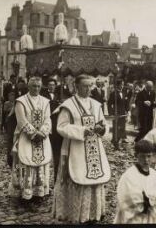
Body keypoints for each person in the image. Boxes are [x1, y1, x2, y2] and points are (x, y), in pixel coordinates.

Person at [53, 75, 110, 224]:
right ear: (76, 87)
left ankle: (93, 213)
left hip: (94, 149)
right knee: (77, 178)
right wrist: (82, 131)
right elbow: (61, 127)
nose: (88, 89)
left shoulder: (96, 104)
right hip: (75, 148)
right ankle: (76, 214)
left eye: (90, 86)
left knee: (94, 179)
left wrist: (102, 129)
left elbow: (104, 123)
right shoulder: (68, 105)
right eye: (85, 86)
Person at [8, 77, 52, 202]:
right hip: (26, 137)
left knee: (40, 163)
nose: (36, 88)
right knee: (25, 162)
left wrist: (43, 132)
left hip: (42, 138)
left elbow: (48, 119)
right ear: (28, 87)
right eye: (33, 86)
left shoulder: (45, 101)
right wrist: (33, 133)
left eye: (38, 86)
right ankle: (25, 192)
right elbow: (21, 120)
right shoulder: (21, 101)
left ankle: (39, 191)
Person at [114, 140, 156, 224]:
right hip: (133, 216)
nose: (146, 160)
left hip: (149, 214)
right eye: (142, 156)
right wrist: (146, 200)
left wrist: (150, 200)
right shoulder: (129, 175)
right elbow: (126, 197)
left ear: (153, 156)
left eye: (149, 156)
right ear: (136, 155)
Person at [40, 78, 61, 182]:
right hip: (47, 125)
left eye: (53, 85)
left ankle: (57, 177)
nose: (51, 86)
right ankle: (43, 179)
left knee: (57, 153)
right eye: (50, 85)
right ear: (47, 86)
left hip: (57, 126)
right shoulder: (43, 96)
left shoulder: (59, 95)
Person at [108, 79, 130, 148]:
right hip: (116, 113)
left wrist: (128, 111)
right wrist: (111, 113)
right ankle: (116, 143)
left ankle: (117, 140)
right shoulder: (113, 93)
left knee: (122, 127)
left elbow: (126, 103)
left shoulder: (124, 93)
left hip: (123, 113)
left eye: (123, 85)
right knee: (116, 128)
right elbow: (109, 104)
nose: (122, 86)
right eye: (121, 84)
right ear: (117, 85)